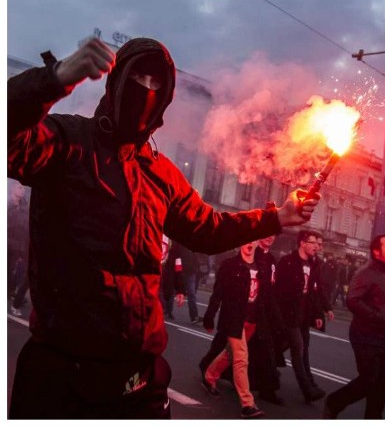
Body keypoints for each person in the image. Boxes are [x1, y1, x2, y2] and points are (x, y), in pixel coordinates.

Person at [7, 37, 319, 419]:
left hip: (139, 373)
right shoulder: (66, 142)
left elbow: (208, 229)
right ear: (115, 81)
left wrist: (275, 217)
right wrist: (55, 79)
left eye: (158, 85)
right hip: (63, 373)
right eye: (137, 78)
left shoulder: (161, 173)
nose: (147, 91)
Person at [324, 235, 385, 419]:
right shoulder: (366, 273)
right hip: (366, 335)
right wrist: (378, 318)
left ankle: (373, 418)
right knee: (369, 379)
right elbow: (353, 300)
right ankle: (334, 402)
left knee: (384, 385)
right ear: (376, 252)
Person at [202, 241, 282, 418]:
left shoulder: (261, 267)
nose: (249, 244)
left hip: (253, 321)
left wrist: (275, 320)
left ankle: (209, 376)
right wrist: (209, 317)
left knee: (229, 353)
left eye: (253, 240)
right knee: (241, 359)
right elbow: (218, 293)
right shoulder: (230, 265)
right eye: (246, 240)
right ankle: (247, 404)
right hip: (233, 320)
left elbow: (267, 296)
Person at [274, 230, 332, 403]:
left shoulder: (314, 265)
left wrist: (319, 313)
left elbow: (314, 292)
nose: (316, 246)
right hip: (288, 314)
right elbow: (279, 291)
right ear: (302, 243)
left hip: (304, 316)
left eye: (317, 243)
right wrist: (279, 314)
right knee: (298, 349)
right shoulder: (288, 262)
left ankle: (264, 369)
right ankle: (307, 389)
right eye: (313, 242)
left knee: (293, 349)